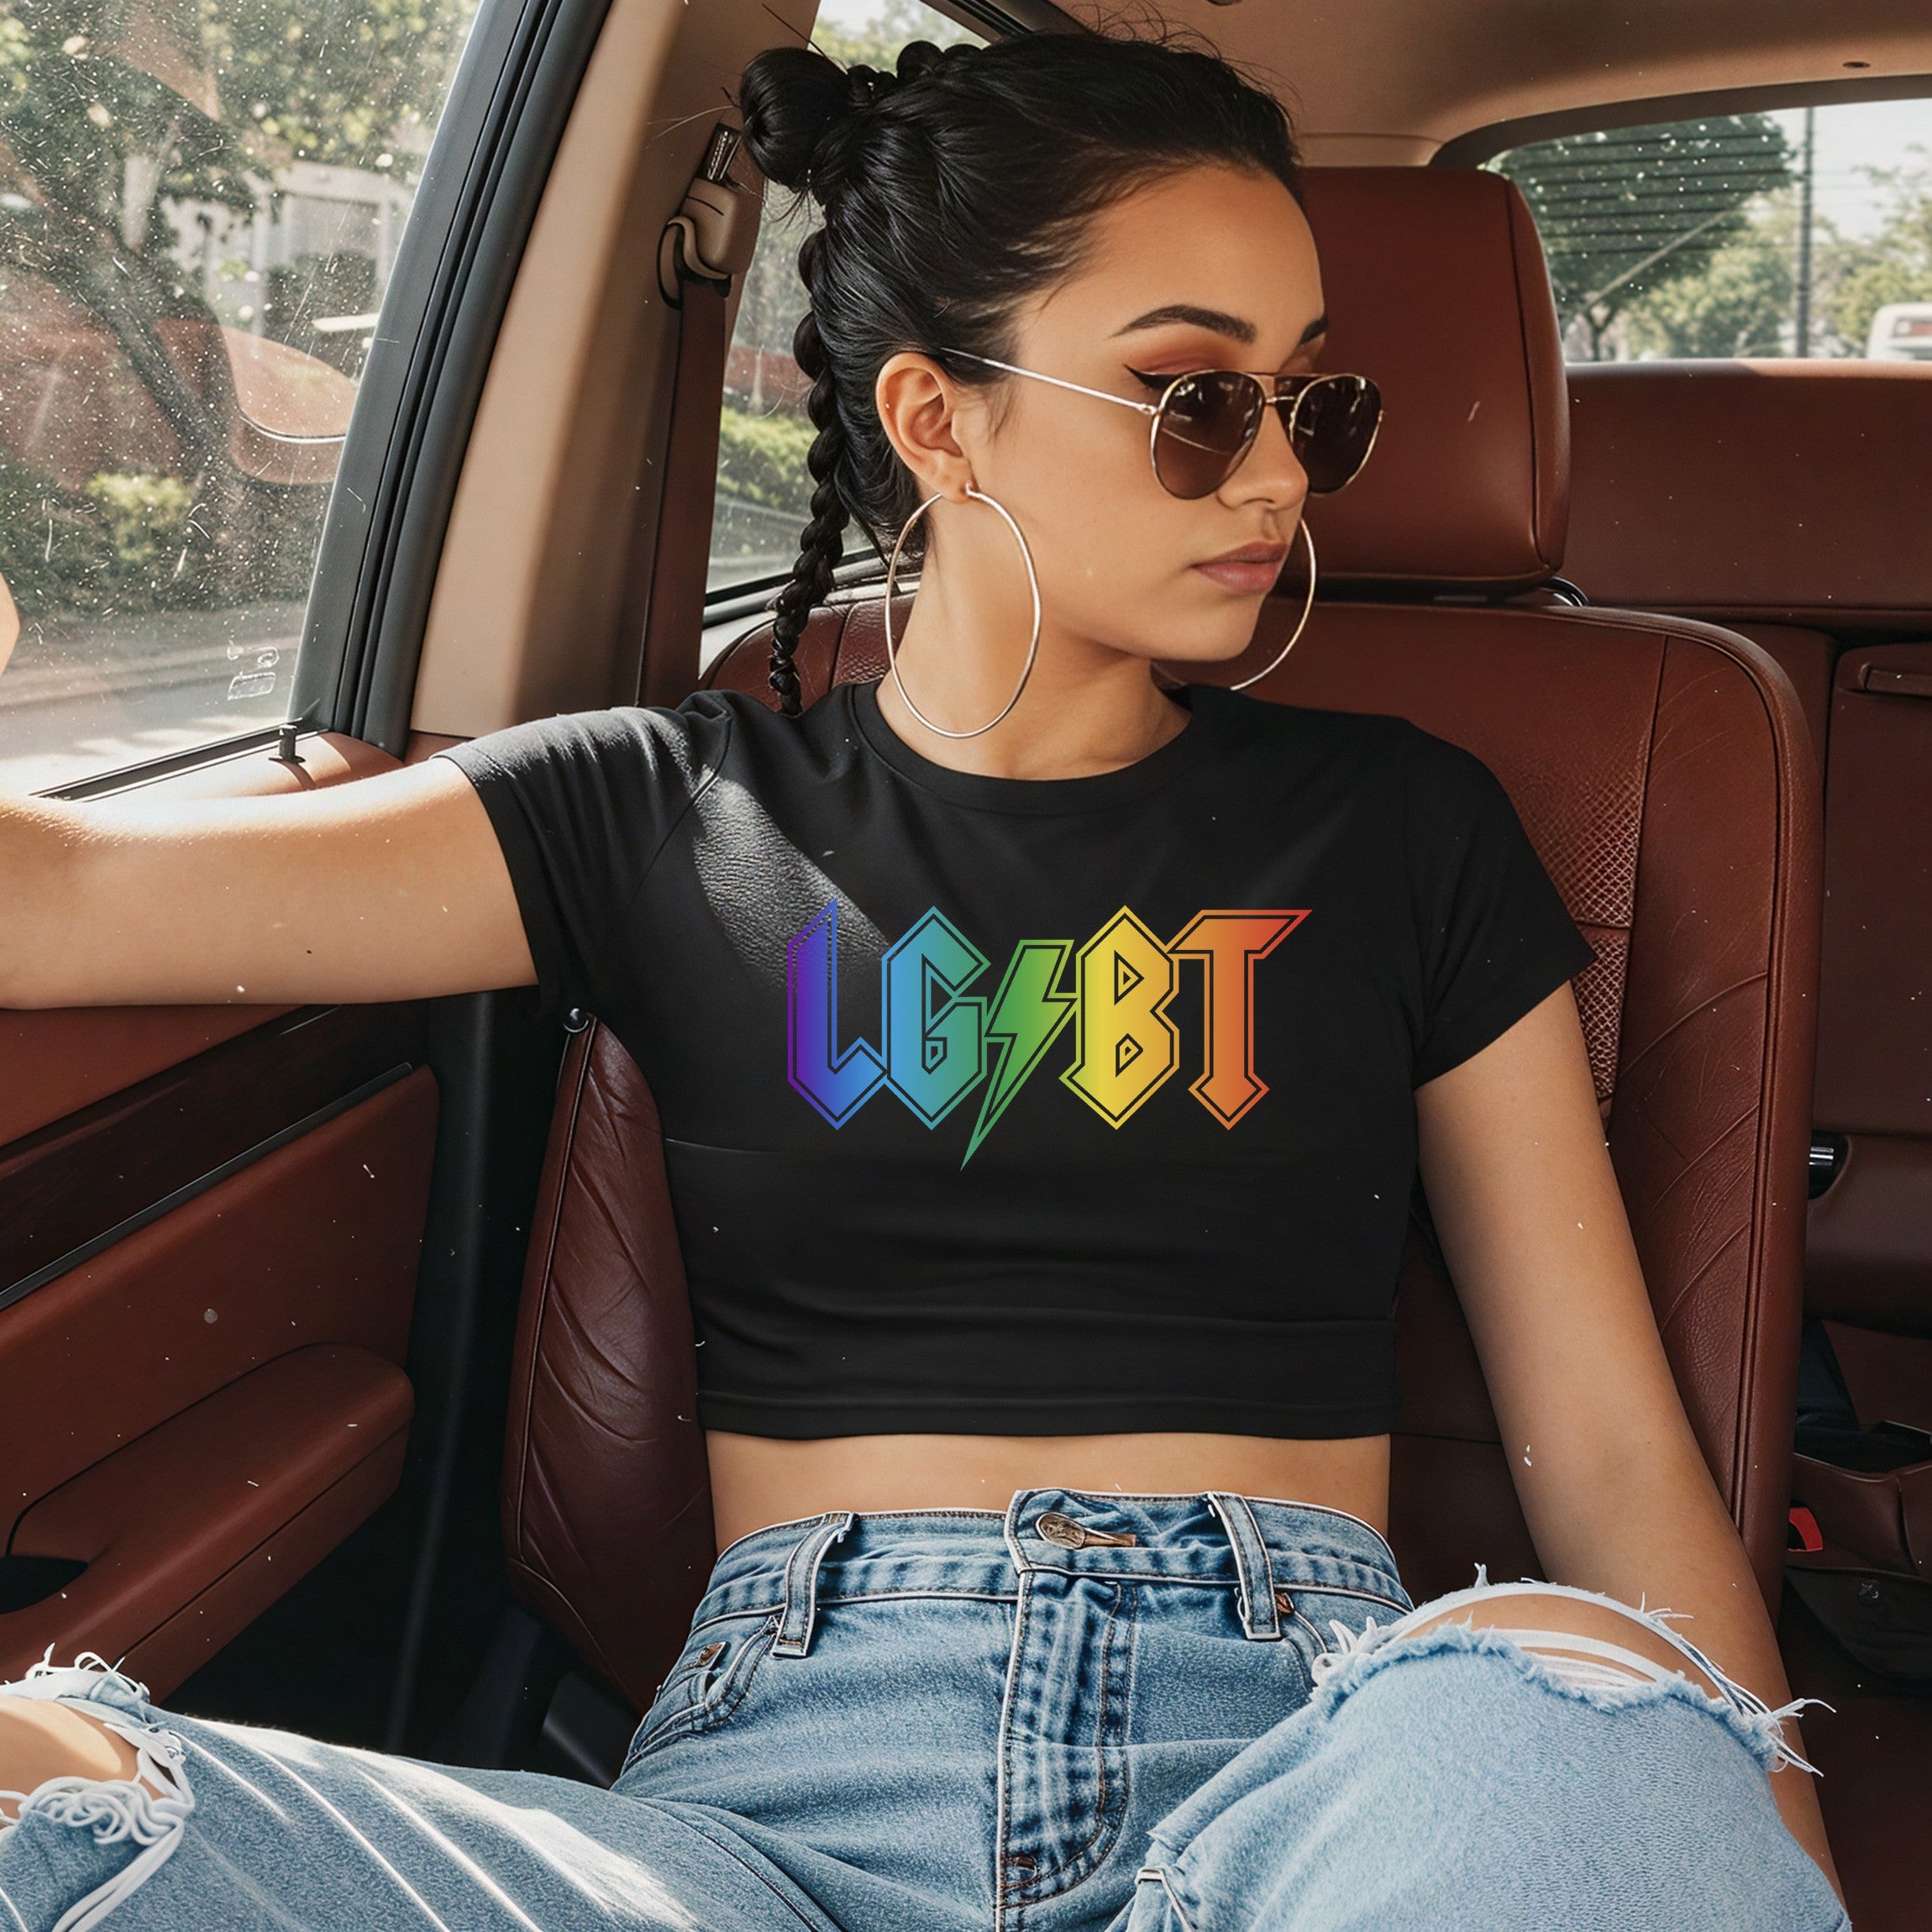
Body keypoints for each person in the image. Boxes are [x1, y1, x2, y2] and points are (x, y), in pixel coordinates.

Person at [0, 32, 1846, 1932]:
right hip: (774, 1810)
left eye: (1316, 404)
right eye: (1196, 398)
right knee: (34, 1798)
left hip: (1322, 1769)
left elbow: (1613, 1453)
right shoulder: (657, 808)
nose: (1282, 472)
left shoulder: (1402, 828)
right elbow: (57, 907)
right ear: (940, 418)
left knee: (1562, 1681)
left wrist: (1756, 1833)